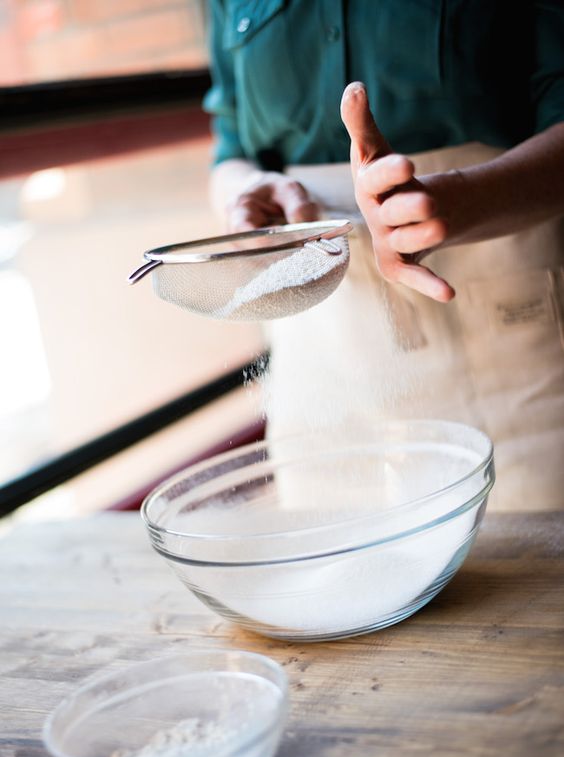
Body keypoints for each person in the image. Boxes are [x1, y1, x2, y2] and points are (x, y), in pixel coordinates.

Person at [204, 1, 564, 510]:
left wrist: (461, 200)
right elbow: (230, 147)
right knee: (333, 534)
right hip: (324, 349)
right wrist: (242, 192)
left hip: (510, 326)